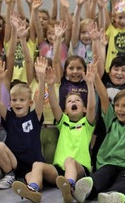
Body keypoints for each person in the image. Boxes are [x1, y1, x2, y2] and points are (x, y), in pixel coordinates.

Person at [11, 62, 97, 203]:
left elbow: (93, 106)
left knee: (69, 160)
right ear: (65, 110)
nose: (73, 102)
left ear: (84, 109)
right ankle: (33, 190)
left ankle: (70, 187)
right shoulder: (63, 123)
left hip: (80, 169)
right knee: (37, 165)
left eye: (77, 100)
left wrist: (90, 84)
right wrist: (50, 85)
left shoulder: (86, 124)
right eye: (69, 101)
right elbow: (54, 104)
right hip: (59, 171)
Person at [73, 64, 125, 203]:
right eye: (117, 105)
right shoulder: (111, 121)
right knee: (102, 176)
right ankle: (86, 189)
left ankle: (116, 196)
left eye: (124, 106)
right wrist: (95, 76)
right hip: (108, 163)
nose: (119, 109)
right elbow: (103, 96)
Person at [0, 57, 48, 189]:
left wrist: (41, 78)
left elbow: (40, 100)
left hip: (33, 165)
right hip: (14, 163)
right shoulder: (9, 116)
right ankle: (10, 176)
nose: (18, 103)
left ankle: (32, 190)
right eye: (14, 100)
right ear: (10, 103)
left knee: (31, 182)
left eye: (22, 100)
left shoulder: (35, 116)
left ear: (30, 103)